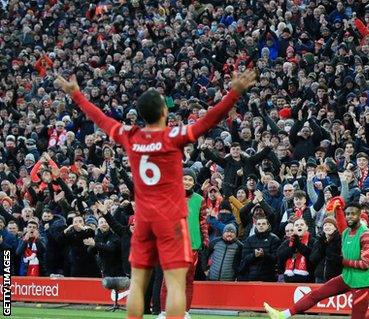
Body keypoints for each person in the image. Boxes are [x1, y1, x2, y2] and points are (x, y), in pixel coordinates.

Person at [55, 70, 256, 319]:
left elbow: (101, 118)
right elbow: (209, 121)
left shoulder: (131, 136)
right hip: (171, 220)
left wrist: (76, 94)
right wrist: (233, 93)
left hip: (144, 219)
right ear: (164, 112)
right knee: (175, 284)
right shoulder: (173, 136)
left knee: (137, 284)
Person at [264, 202, 369, 319]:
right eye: (347, 214)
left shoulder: (367, 236)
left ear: (360, 217)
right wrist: (338, 207)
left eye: (353, 214)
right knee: (316, 294)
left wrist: (342, 261)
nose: (349, 216)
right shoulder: (346, 232)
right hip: (348, 277)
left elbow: (365, 264)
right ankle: (282, 315)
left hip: (362, 282)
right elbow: (341, 223)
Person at [157, 169, 206, 319]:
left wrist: (205, 240)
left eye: (190, 180)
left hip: (192, 247)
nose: (187, 182)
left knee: (188, 281)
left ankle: (185, 312)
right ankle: (165, 312)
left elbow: (203, 222)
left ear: (194, 182)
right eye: (184, 179)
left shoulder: (200, 200)